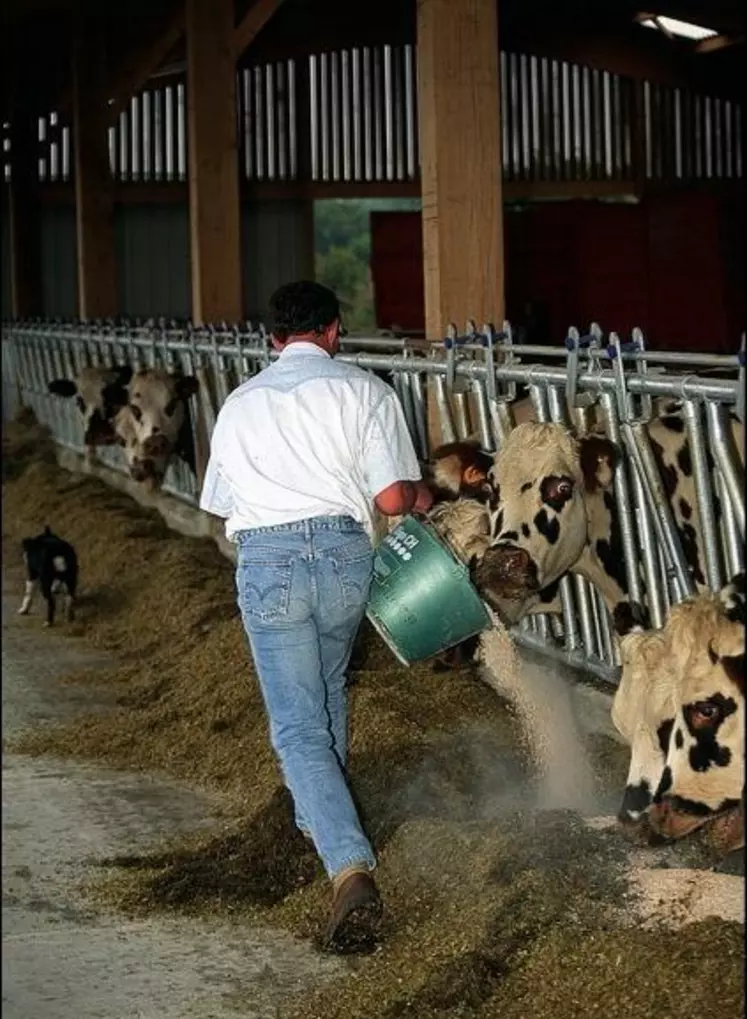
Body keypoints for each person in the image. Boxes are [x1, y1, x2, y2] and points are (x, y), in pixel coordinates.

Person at [199, 280, 433, 953]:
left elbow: (218, 504)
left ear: (271, 338)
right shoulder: (366, 390)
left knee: (297, 726)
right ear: (334, 331)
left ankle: (348, 866)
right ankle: (315, 820)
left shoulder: (239, 404)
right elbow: (391, 498)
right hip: (341, 555)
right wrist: (425, 493)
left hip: (269, 561)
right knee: (325, 695)